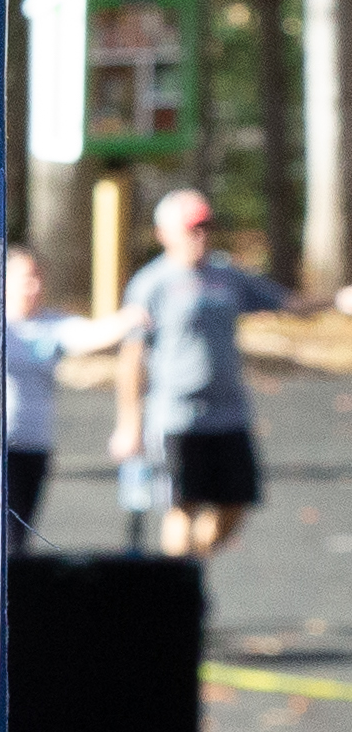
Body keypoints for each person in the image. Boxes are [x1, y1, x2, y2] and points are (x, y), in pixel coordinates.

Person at [112, 186, 352, 559]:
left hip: (228, 414)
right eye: (191, 228)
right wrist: (129, 424)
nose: (201, 236)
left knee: (237, 503)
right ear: (165, 234)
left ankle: (194, 566)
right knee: (182, 506)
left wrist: (337, 300)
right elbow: (132, 357)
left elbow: (288, 303)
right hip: (177, 417)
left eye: (205, 227)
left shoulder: (227, 276)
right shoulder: (151, 284)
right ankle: (179, 591)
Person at [2, 242, 143, 537]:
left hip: (34, 447)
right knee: (3, 536)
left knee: (21, 535)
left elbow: (91, 335)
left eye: (39, 277)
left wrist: (128, 318)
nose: (35, 286)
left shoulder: (52, 325)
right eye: (26, 278)